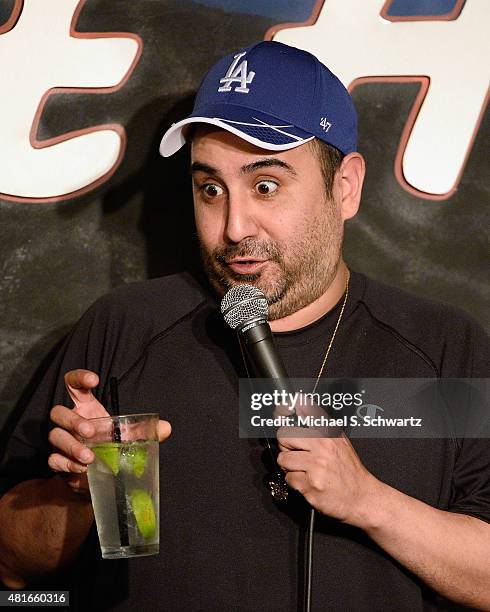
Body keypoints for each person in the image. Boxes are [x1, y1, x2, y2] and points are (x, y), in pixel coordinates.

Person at [0, 41, 489, 611]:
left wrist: (369, 502)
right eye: (210, 189)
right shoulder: (127, 330)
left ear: (345, 187)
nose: (233, 227)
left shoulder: (441, 348)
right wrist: (82, 494)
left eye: (265, 185)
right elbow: (12, 565)